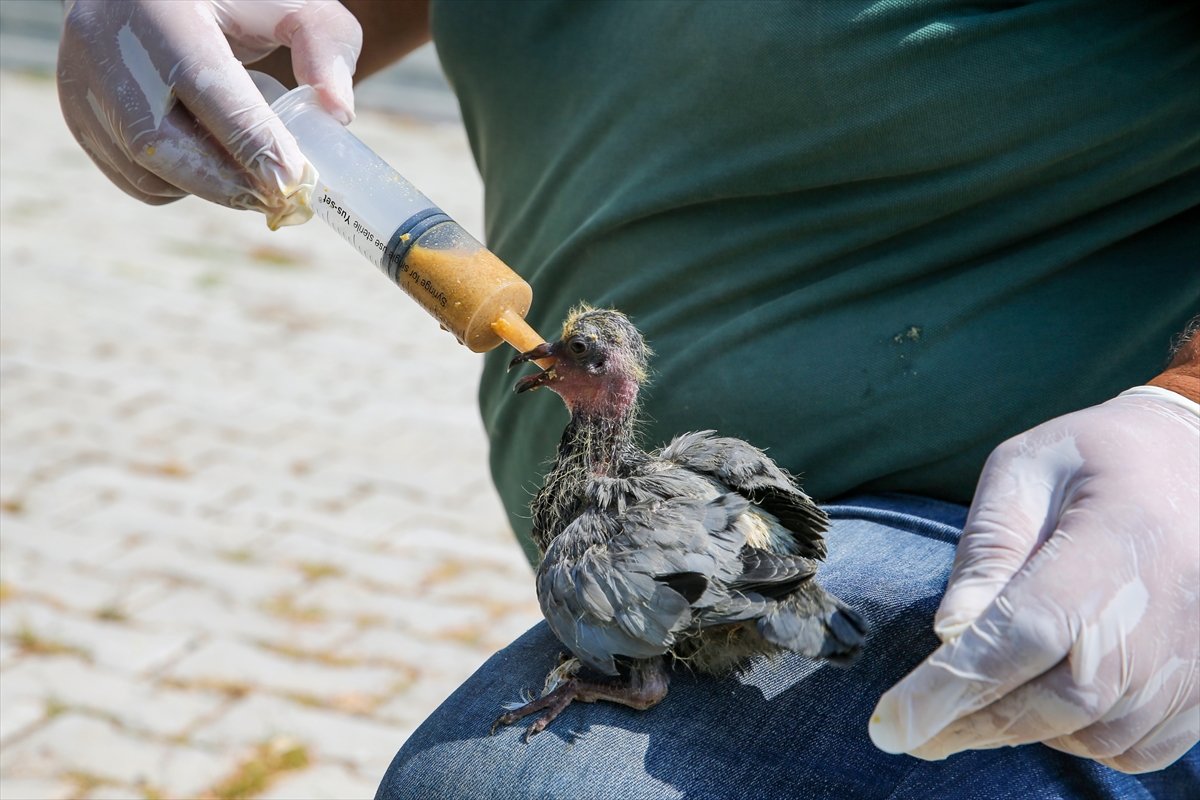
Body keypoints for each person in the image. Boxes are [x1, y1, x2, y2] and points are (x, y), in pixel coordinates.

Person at [57, 1, 1199, 797]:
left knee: (524, 784)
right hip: (730, 536)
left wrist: (1190, 414)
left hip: (1035, 541)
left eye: (570, 363)